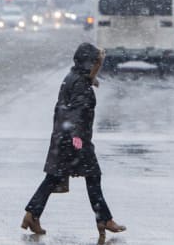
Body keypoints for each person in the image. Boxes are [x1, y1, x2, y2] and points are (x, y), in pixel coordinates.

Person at [21, 42, 126, 238]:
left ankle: (32, 214)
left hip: (64, 138)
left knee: (54, 178)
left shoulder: (72, 78)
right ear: (88, 64)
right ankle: (103, 219)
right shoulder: (80, 85)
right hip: (75, 141)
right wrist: (78, 142)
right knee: (93, 177)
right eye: (96, 63)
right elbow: (76, 114)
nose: (98, 67)